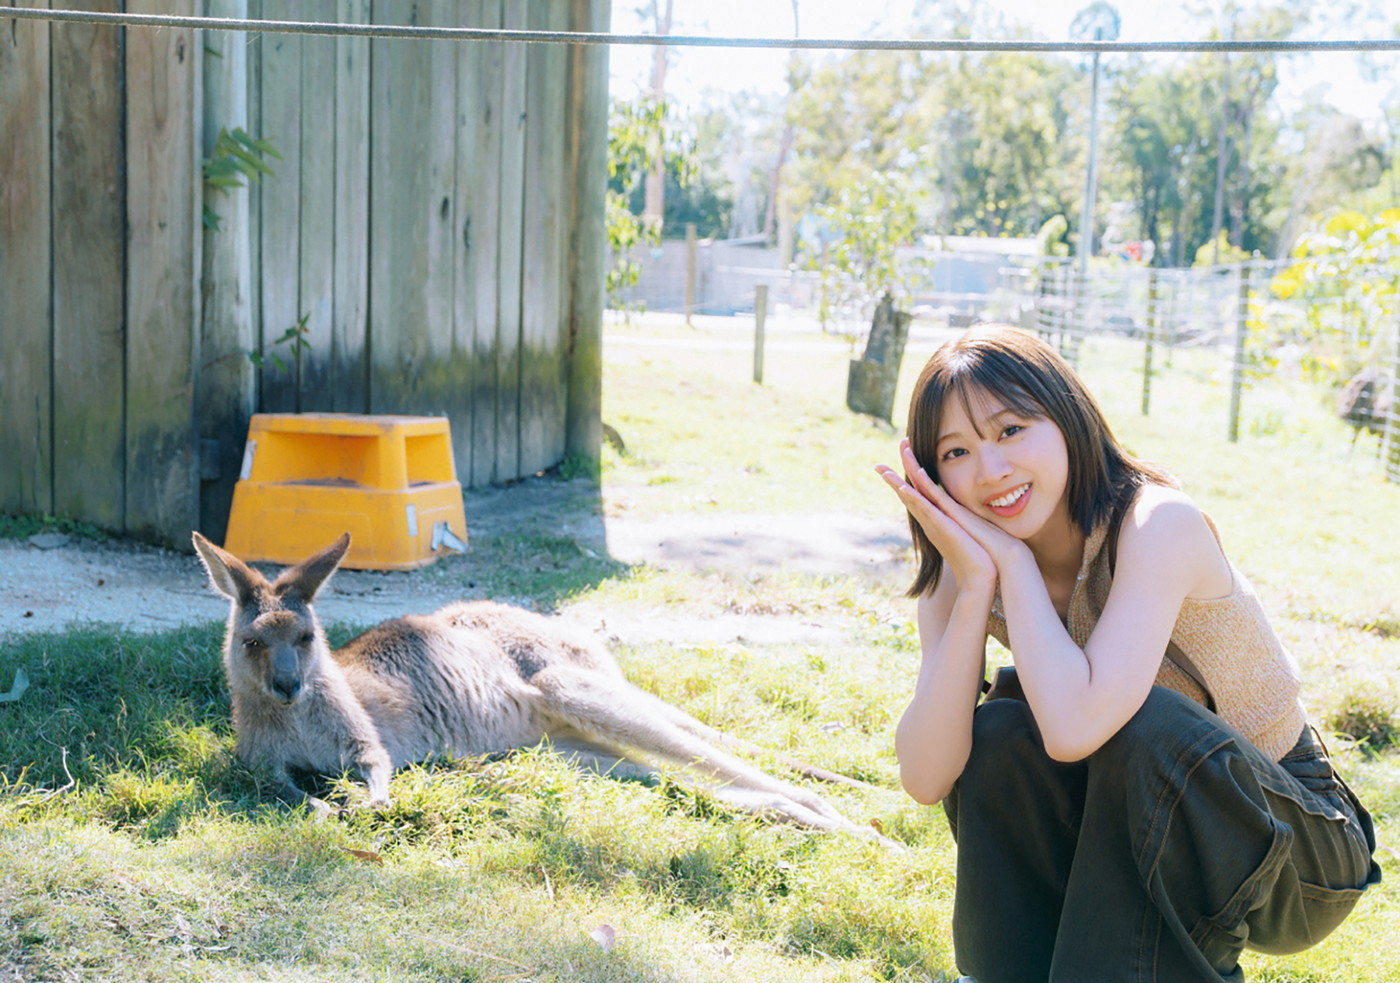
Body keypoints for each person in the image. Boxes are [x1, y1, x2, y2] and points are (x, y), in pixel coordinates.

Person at [875, 325, 1381, 983]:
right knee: (997, 729)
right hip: (1122, 818)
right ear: (931, 474)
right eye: (957, 451)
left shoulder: (1155, 524)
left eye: (1010, 431)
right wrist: (975, 589)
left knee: (1146, 722)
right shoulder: (965, 571)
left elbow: (1077, 728)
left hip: (1296, 844)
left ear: (1066, 418)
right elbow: (925, 774)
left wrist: (1016, 571)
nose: (991, 470)